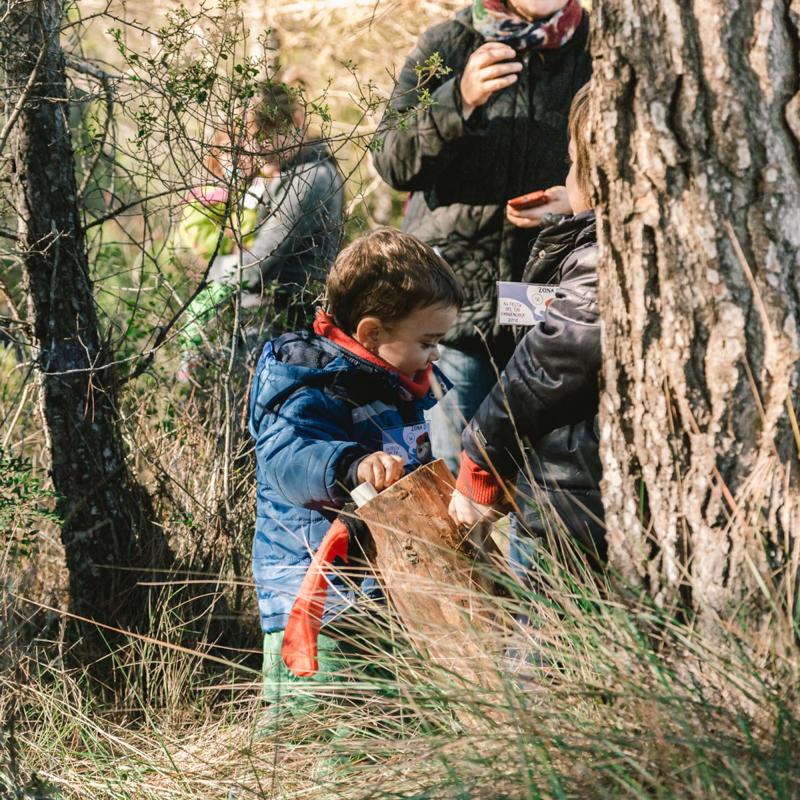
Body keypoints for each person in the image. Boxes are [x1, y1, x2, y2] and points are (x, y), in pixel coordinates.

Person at [248, 227, 462, 723]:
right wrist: (350, 464)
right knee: (316, 727)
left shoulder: (396, 382)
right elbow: (287, 457)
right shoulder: (308, 381)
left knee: (374, 725)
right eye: (428, 341)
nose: (436, 355)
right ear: (371, 334)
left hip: (375, 587)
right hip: (317, 595)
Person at [372, 0, 591, 472]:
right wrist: (459, 99)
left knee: (536, 481)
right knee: (452, 473)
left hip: (548, 302)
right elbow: (391, 159)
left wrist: (572, 202)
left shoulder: (596, 49)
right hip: (456, 305)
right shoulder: (448, 44)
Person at [448, 83, 604, 571]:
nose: (568, 173)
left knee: (545, 643)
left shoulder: (607, 256)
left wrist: (481, 457)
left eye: (574, 162)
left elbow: (552, 355)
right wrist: (574, 213)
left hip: (573, 502)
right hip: (574, 491)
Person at [179, 80, 345, 362]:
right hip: (261, 328)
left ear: (297, 120)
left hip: (287, 336)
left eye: (269, 132)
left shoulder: (311, 177)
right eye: (250, 137)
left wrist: (214, 271)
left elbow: (256, 265)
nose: (260, 147)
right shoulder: (278, 175)